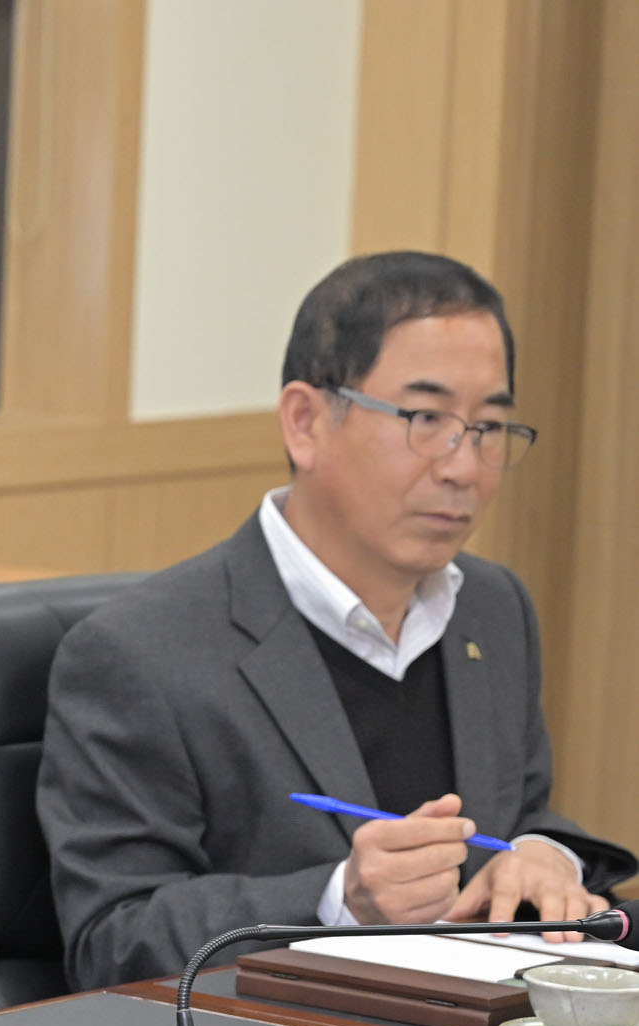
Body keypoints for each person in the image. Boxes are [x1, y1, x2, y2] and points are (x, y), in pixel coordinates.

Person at [38, 250, 636, 988]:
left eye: (489, 427)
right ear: (306, 423)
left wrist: (545, 855)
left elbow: (522, 816)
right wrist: (337, 902)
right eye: (426, 419)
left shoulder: (493, 608)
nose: (463, 467)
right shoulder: (139, 652)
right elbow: (112, 942)